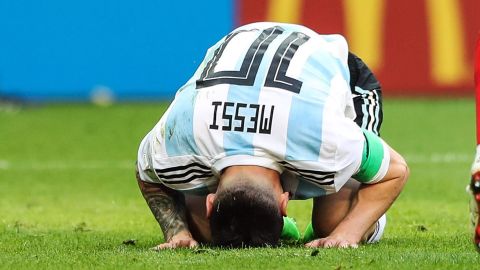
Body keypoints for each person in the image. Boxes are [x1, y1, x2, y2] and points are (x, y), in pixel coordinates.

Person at [135, 22, 409, 249]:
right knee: (206, 230)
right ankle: (276, 228)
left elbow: (395, 170)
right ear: (283, 202)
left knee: (333, 220)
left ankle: (346, 223)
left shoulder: (326, 138)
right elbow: (144, 170)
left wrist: (347, 233)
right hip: (250, 56)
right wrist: (179, 233)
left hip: (337, 80)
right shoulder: (183, 132)